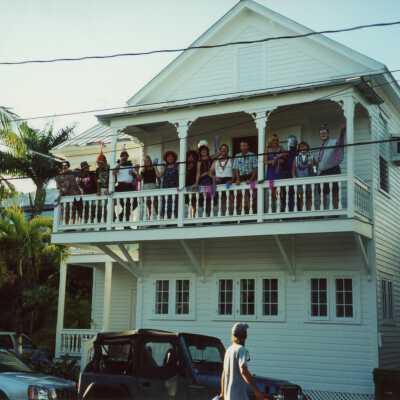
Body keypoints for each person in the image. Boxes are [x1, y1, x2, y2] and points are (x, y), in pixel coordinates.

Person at [220, 323, 262, 400]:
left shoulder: (229, 350)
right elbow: (243, 370)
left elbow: (224, 373)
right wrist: (257, 391)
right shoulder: (241, 349)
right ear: (245, 336)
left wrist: (222, 393)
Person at [314, 124, 345, 209]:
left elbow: (340, 142)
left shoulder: (333, 142)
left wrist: (342, 133)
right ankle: (322, 213)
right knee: (322, 194)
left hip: (333, 169)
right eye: (321, 133)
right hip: (322, 172)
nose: (323, 134)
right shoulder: (320, 147)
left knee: (335, 192)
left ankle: (335, 213)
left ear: (328, 133)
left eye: (324, 132)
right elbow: (317, 161)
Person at [232, 141, 258, 214]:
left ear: (248, 146)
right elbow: (236, 169)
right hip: (241, 177)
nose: (243, 147)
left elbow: (255, 169)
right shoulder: (237, 156)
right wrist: (237, 179)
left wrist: (251, 179)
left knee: (253, 194)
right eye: (242, 146)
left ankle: (250, 208)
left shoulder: (252, 155)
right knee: (244, 194)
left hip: (251, 177)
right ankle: (248, 209)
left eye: (245, 145)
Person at [113, 150, 138, 222]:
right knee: (125, 204)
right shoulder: (117, 164)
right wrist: (120, 164)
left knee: (134, 203)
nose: (124, 158)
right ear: (120, 157)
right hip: (121, 187)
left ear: (127, 157)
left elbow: (135, 177)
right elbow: (113, 173)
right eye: (123, 156)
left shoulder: (130, 165)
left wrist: (133, 173)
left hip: (130, 187)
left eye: (126, 156)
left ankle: (120, 217)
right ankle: (125, 221)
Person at [211, 144, 233, 216]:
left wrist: (232, 180)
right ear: (220, 151)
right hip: (219, 182)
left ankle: (231, 217)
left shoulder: (231, 159)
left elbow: (236, 171)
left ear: (228, 151)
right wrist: (214, 178)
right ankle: (223, 216)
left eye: (225, 149)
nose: (223, 150)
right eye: (222, 149)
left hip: (229, 181)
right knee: (221, 201)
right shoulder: (216, 161)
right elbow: (210, 172)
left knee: (230, 200)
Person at [292, 141, 314, 211]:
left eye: (304, 146)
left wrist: (313, 166)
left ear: (307, 147)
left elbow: (315, 169)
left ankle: (310, 214)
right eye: (301, 147)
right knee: (301, 198)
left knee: (310, 197)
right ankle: (303, 214)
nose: (303, 148)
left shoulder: (311, 156)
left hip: (309, 181)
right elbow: (293, 170)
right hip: (300, 182)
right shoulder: (296, 158)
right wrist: (294, 178)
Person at [264, 135, 284, 213]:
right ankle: (271, 212)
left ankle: (280, 211)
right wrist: (271, 161)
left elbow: (285, 156)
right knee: (272, 193)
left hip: (279, 172)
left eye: (276, 140)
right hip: (271, 173)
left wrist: (280, 158)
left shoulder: (281, 148)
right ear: (270, 141)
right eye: (273, 140)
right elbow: (265, 161)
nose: (275, 141)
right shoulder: (267, 149)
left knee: (280, 193)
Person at [195, 145, 213, 217]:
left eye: (205, 150)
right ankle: (205, 215)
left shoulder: (210, 158)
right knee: (204, 198)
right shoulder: (199, 161)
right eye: (202, 150)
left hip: (211, 180)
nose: (204, 151)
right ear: (200, 152)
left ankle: (209, 214)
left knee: (209, 198)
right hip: (203, 180)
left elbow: (218, 153)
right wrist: (196, 183)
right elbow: (198, 173)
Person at [160, 151, 179, 219]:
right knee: (166, 205)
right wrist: (155, 166)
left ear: (174, 158)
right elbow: (159, 175)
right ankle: (166, 219)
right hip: (166, 188)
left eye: (171, 157)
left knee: (174, 205)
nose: (170, 158)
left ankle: (174, 219)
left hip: (174, 188)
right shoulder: (165, 167)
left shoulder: (177, 166)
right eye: (168, 157)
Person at [95, 150, 109, 223]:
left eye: (100, 162)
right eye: (98, 163)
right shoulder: (97, 170)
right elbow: (97, 181)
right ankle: (101, 223)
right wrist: (98, 190)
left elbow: (113, 180)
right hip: (101, 189)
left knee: (108, 207)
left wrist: (109, 188)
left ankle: (107, 221)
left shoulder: (109, 168)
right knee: (100, 207)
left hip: (108, 189)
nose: (99, 164)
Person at [185, 150, 198, 217]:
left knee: (194, 202)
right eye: (189, 156)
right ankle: (190, 216)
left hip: (193, 185)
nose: (190, 158)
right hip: (187, 186)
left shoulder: (196, 165)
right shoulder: (185, 166)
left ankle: (194, 216)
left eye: (192, 156)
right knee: (188, 203)